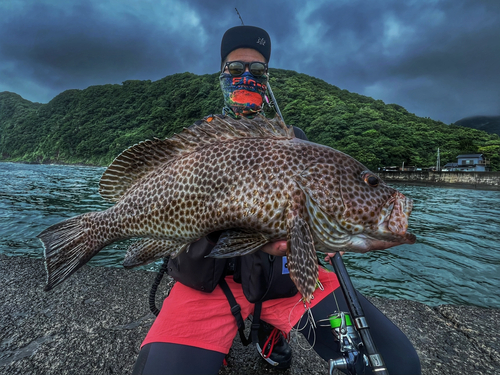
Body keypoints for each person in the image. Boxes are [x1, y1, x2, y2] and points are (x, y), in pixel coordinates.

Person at [132, 25, 421, 375]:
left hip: (282, 281)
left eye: (257, 71)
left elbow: (319, 214)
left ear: (267, 79)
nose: (246, 77)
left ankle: (268, 327)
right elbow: (175, 208)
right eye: (235, 69)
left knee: (399, 366)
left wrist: (332, 232)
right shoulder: (199, 144)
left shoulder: (296, 142)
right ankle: (226, 337)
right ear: (222, 75)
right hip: (210, 284)